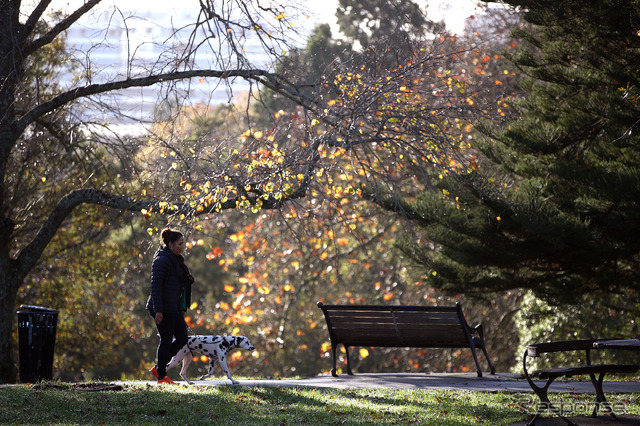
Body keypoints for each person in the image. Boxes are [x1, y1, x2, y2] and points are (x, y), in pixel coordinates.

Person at [146, 227, 195, 384]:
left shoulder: (176, 260)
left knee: (182, 338)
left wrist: (181, 306)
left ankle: (158, 368)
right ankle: (161, 377)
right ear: (170, 244)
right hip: (161, 307)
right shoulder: (161, 260)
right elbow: (156, 287)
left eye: (183, 243)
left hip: (173, 307)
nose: (182, 246)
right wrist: (159, 310)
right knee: (166, 340)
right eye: (179, 244)